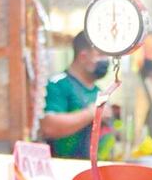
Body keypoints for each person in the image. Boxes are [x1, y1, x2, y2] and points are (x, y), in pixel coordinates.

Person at [41, 31, 109, 160]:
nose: (105, 61)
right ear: (82, 56)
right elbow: (49, 126)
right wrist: (92, 112)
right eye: (100, 55)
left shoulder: (98, 91)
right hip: (64, 169)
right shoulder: (58, 84)